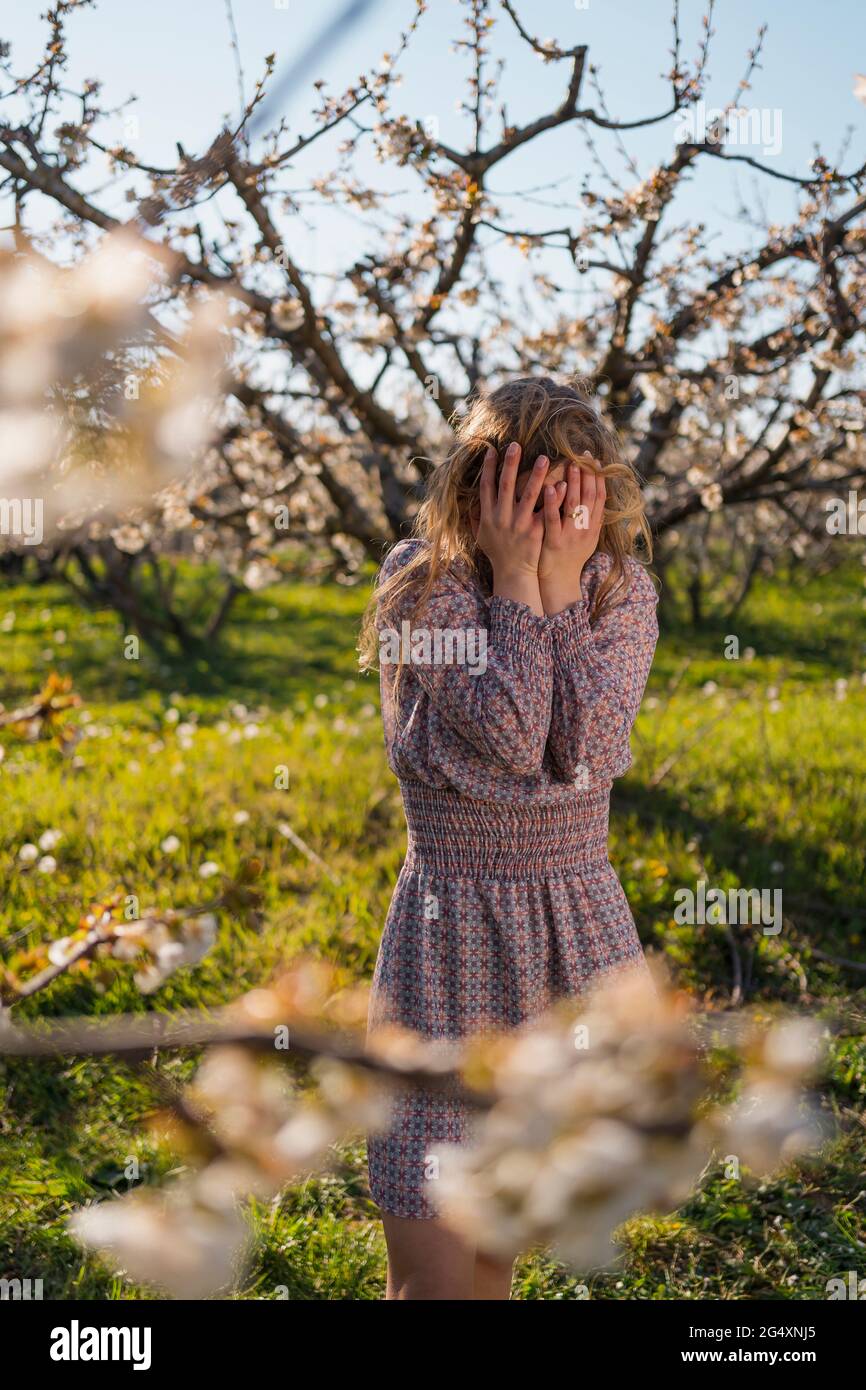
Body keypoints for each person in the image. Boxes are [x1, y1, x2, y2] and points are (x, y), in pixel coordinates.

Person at [358, 376, 659, 1299]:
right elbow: (517, 729)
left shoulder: (619, 591)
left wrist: (561, 584)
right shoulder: (426, 584)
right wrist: (525, 580)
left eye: (570, 493)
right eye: (525, 490)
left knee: (500, 1250)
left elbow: (591, 751)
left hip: (571, 932)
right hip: (451, 939)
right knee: (435, 1263)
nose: (549, 514)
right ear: (479, 486)